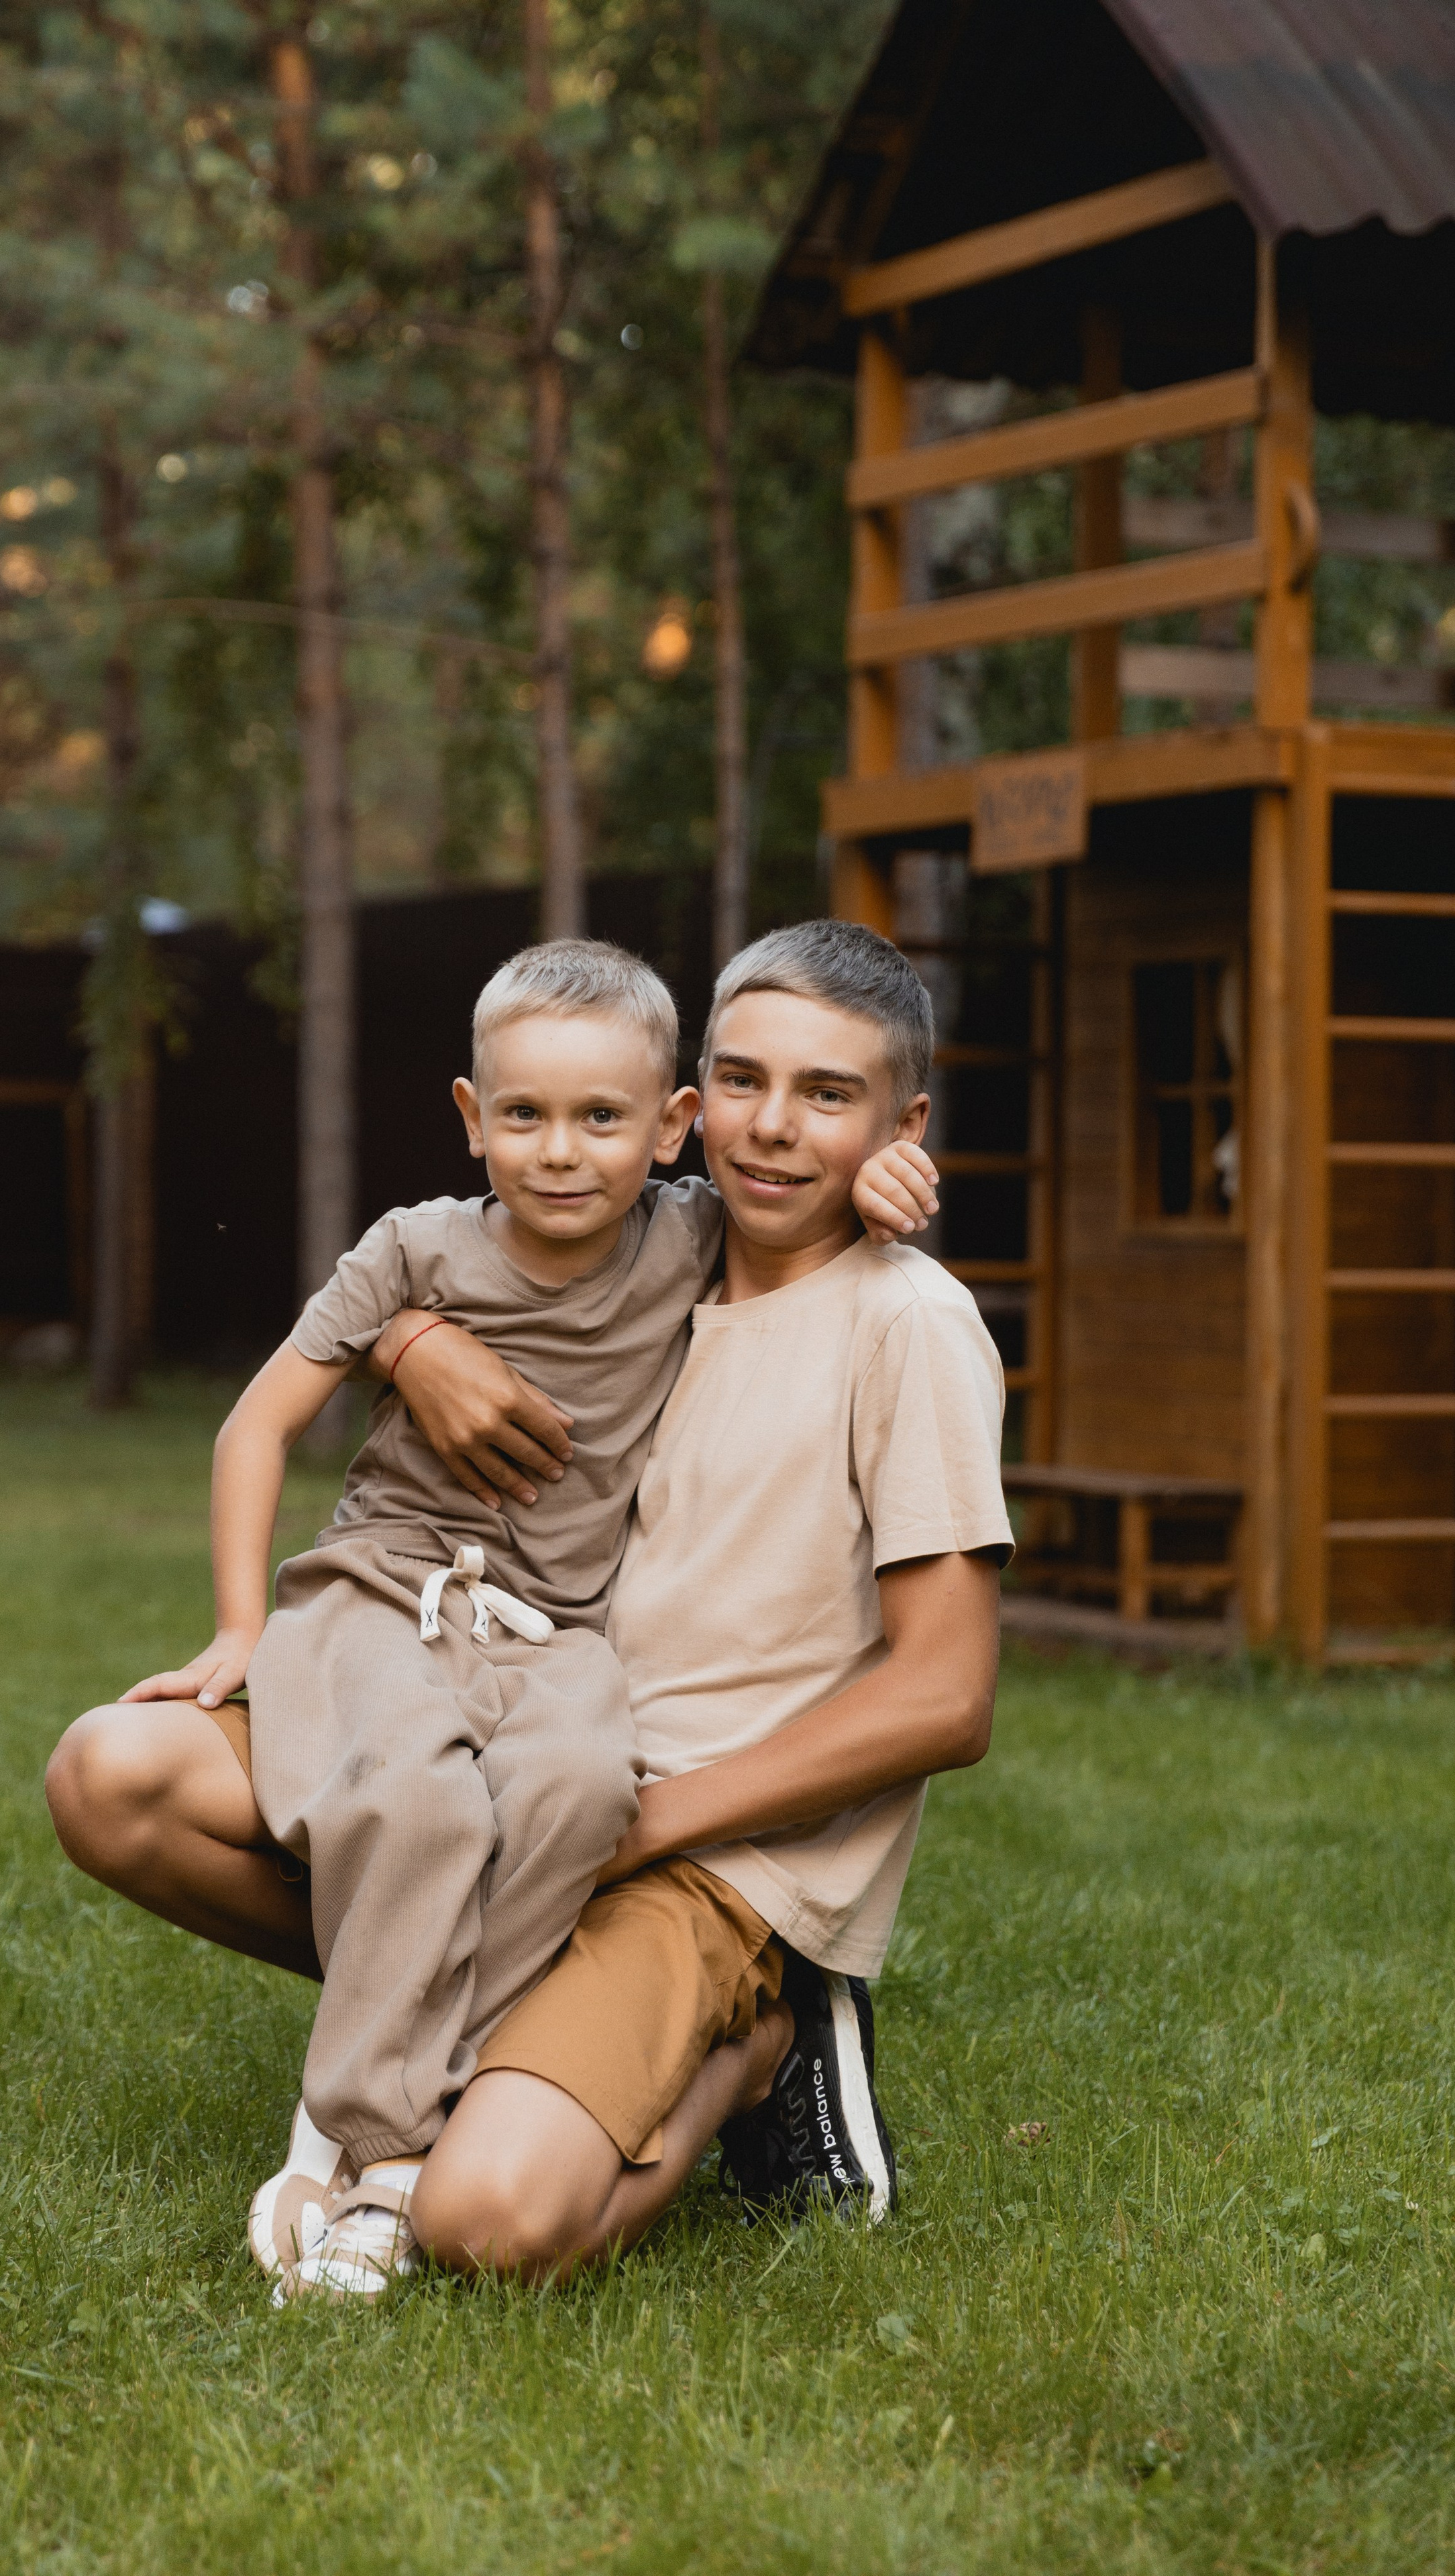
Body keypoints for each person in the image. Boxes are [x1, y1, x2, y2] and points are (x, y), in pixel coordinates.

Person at [46, 936, 934, 2300]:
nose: (564, 1152)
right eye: (522, 1115)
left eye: (603, 1120)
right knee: (405, 1800)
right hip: (392, 1603)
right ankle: (366, 2137)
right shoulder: (424, 1246)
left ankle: (627, 2066)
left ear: (662, 1127)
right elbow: (266, 1414)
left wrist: (891, 1183)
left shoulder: (715, 1238)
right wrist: (243, 1617)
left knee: (573, 1796)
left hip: (559, 1648)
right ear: (471, 1117)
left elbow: (799, 1194)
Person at [407, 918, 1013, 2281]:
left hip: (700, 1854)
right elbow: (443, 1247)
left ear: (904, 1125)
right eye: (740, 1080)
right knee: (124, 1778)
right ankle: (512, 2026)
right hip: (532, 1775)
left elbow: (946, 1696)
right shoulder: (647, 1257)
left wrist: (642, 1828)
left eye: (827, 1096)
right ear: (687, 1100)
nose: (771, 1130)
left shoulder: (901, 1322)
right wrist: (411, 1338)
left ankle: (761, 2045)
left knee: (483, 2226)